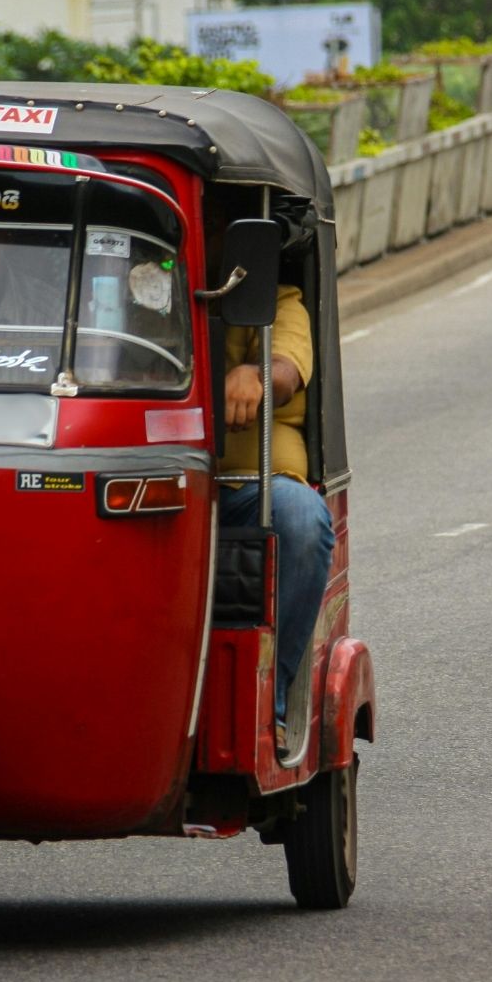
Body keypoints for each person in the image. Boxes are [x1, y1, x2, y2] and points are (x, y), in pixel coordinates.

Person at [216, 283, 334, 753]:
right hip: (156, 479)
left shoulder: (276, 300)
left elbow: (285, 371)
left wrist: (255, 374)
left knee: (303, 516)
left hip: (248, 489)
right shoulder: (125, 283)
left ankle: (271, 703)